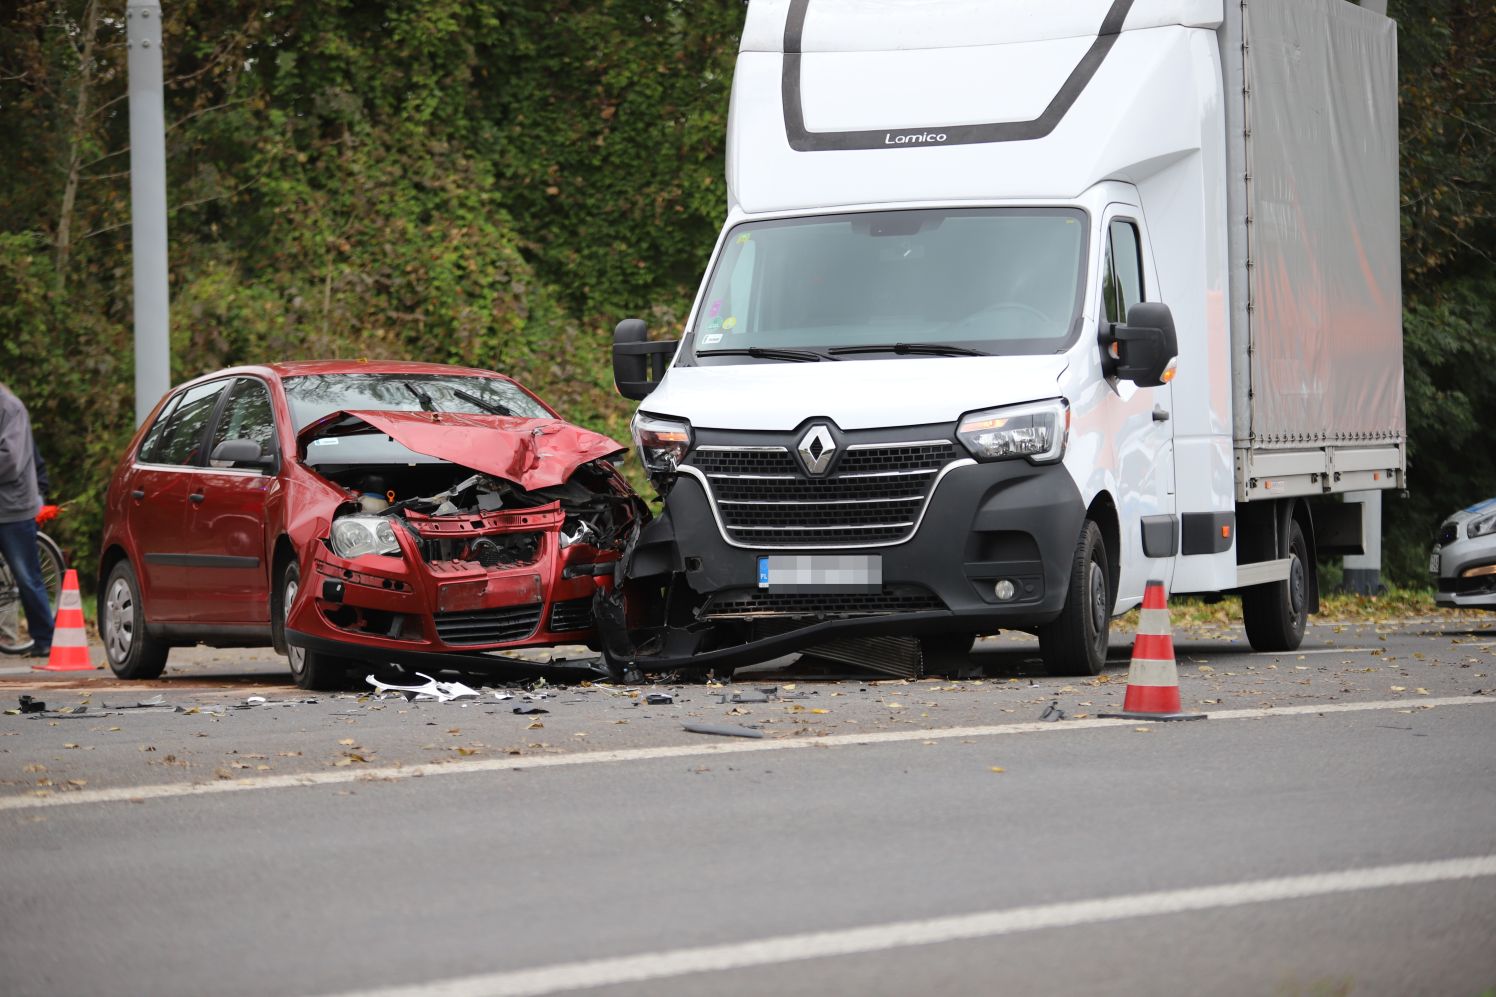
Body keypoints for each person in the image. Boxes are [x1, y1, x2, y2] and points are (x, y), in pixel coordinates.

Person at [0, 385, 53, 658]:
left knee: (26, 577)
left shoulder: (10, 407)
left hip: (13, 508)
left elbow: (11, 461)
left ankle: (44, 638)